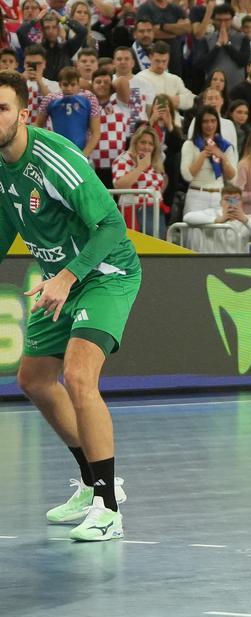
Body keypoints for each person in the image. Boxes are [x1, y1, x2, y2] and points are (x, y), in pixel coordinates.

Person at [0, 72, 140, 541]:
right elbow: (6, 230)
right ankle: (92, 479)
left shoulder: (54, 157)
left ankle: (108, 507)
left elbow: (110, 227)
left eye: (1, 109)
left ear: (23, 114)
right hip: (60, 278)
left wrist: (66, 276)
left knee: (80, 377)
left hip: (103, 274)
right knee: (35, 380)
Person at [182, 182, 251, 252]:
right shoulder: (212, 214)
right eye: (227, 199)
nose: (232, 203)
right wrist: (216, 220)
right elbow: (187, 217)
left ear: (241, 203)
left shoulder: (249, 219)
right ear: (221, 202)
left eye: (236, 199)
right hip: (212, 265)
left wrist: (245, 220)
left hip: (238, 266)